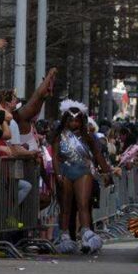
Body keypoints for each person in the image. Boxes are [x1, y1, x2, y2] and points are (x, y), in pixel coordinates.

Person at [53, 100, 113, 254]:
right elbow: (55, 157)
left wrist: (107, 172)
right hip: (65, 170)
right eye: (71, 120)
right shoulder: (59, 136)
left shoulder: (89, 137)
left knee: (83, 204)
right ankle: (65, 237)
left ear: (82, 121)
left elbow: (98, 156)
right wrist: (58, 172)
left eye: (77, 120)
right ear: (66, 121)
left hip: (83, 171)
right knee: (65, 207)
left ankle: (87, 235)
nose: (74, 123)